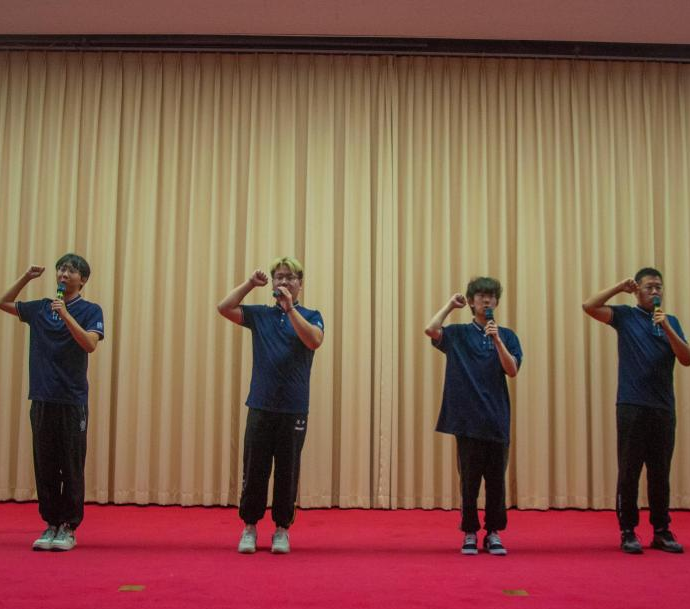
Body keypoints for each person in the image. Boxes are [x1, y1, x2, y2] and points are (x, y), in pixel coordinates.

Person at [218, 257, 324, 554]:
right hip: (261, 405)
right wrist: (250, 284)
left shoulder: (311, 315)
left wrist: (290, 309)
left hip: (294, 408)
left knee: (287, 472)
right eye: (279, 277)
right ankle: (250, 527)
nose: (284, 282)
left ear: (300, 284)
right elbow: (224, 307)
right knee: (255, 469)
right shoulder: (261, 315)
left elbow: (314, 341)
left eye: (290, 277)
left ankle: (281, 530)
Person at [0, 254, 104, 551]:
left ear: (83, 279)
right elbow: (4, 303)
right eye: (61, 269)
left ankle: (68, 527)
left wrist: (66, 315)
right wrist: (26, 278)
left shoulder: (90, 310)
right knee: (45, 464)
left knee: (70, 465)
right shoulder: (41, 308)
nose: (63, 274)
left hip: (72, 399)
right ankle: (51, 524)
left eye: (71, 270)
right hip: (42, 397)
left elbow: (90, 344)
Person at [583, 267, 689, 554]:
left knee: (660, 473)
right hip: (632, 405)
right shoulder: (626, 316)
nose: (655, 292)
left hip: (663, 408)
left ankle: (661, 530)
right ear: (638, 290)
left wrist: (666, 327)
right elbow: (589, 306)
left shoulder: (671, 321)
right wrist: (619, 287)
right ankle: (628, 531)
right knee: (629, 471)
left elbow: (686, 358)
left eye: (659, 287)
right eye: (649, 287)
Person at [425, 276, 522, 556]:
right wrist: (449, 305)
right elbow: (431, 329)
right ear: (471, 301)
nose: (487, 300)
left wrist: (497, 340)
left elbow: (512, 370)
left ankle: (493, 532)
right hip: (467, 420)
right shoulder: (458, 334)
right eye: (481, 296)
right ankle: (469, 531)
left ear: (497, 302)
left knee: (496, 481)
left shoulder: (507, 335)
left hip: (497, 419)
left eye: (491, 296)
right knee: (469, 481)